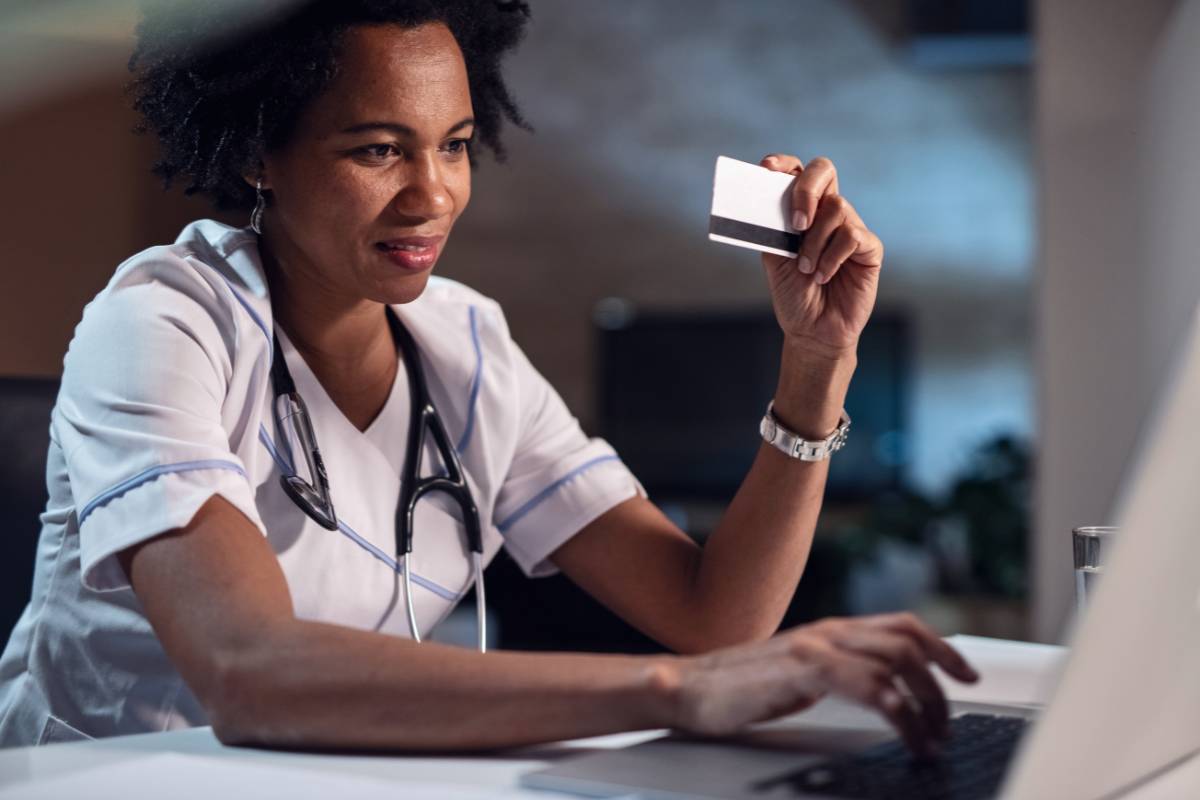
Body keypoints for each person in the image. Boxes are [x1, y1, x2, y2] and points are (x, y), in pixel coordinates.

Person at [0, 0, 977, 754]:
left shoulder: (467, 343)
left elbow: (714, 613)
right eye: (378, 149)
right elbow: (245, 670)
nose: (433, 196)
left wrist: (817, 360)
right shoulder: (162, 320)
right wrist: (667, 692)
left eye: (456, 145)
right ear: (261, 154)